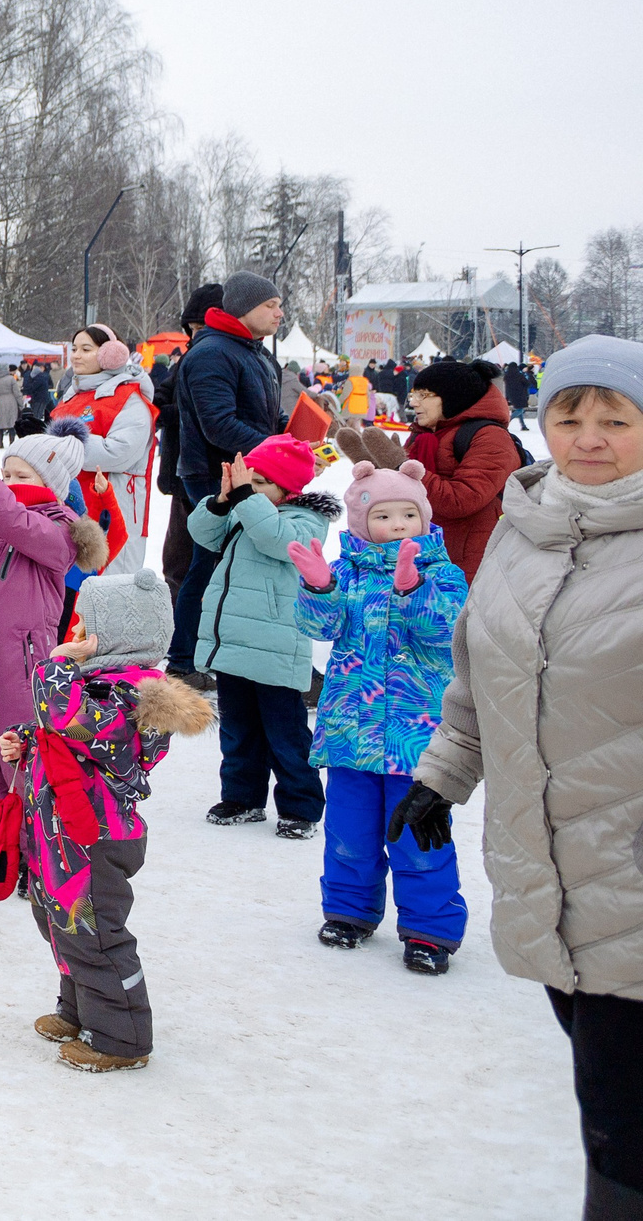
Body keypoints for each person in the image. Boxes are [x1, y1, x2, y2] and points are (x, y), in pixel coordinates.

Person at [392, 338, 643, 1217]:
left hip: (632, 872)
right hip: (547, 865)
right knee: (599, 1080)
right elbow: (476, 671)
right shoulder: (523, 528)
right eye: (571, 416)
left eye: (617, 419)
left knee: (621, 1116)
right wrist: (443, 774)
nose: (591, 437)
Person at [0, 571, 209, 1074]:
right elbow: (62, 733)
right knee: (61, 926)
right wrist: (25, 741)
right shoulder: (98, 685)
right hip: (60, 835)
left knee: (91, 932)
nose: (74, 635)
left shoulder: (142, 695)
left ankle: (122, 1038)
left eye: (85, 626)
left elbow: (78, 724)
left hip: (94, 839)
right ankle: (80, 1011)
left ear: (118, 634)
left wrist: (55, 667)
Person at [286, 460, 469, 974]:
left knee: (418, 837)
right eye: (384, 516)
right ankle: (348, 911)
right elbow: (320, 629)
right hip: (349, 732)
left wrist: (413, 591)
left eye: (408, 514)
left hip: (415, 738)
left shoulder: (443, 573)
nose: (398, 525)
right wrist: (320, 585)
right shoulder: (348, 572)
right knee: (350, 831)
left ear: (423, 517)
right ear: (362, 523)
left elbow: (448, 633)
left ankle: (430, 929)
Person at [0, 429, 101, 811]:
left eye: (21, 476)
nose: (10, 483)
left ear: (52, 481)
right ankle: (0, 850)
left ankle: (31, 854)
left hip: (21, 661)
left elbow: (17, 524)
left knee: (21, 762)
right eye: (5, 474)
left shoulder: (63, 528)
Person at [190, 434, 333, 837]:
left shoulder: (305, 521)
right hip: (234, 643)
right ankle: (242, 797)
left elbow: (276, 541)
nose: (248, 491)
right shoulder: (243, 511)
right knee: (238, 730)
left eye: (260, 484)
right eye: (247, 481)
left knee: (285, 734)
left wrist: (244, 499)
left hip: (275, 648)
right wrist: (221, 502)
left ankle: (300, 807)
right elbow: (202, 533)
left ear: (288, 489)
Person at [166, 272, 286, 683]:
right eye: (271, 305)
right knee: (208, 563)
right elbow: (218, 424)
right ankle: (183, 660)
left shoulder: (253, 351)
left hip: (244, 470)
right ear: (245, 308)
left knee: (229, 564)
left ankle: (220, 656)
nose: (279, 312)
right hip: (213, 474)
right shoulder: (213, 352)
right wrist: (276, 448)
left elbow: (261, 415)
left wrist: (292, 435)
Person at [396, 358, 520, 581]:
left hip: (466, 568)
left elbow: (461, 500)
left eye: (423, 395)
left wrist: (401, 466)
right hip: (424, 557)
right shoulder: (425, 434)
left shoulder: (490, 437)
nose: (413, 402)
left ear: (452, 397)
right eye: (413, 394)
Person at [49, 326, 156, 574]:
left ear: (111, 354)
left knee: (107, 590)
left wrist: (60, 442)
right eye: (74, 348)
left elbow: (117, 454)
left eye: (86, 349)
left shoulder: (129, 398)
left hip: (112, 508)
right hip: (72, 508)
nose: (76, 355)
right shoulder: (71, 396)